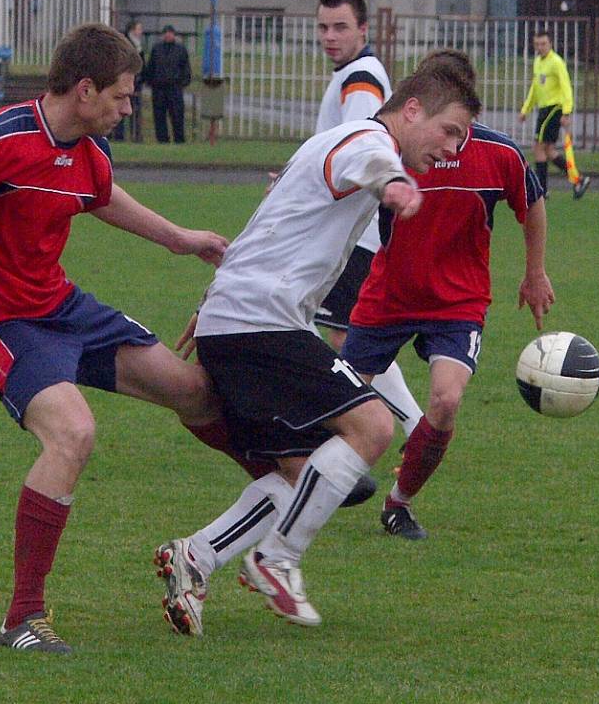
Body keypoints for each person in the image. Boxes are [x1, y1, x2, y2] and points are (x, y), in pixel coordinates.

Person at [0, 23, 230, 655]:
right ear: (87, 89)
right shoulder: (1, 139)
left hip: (60, 307)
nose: (129, 108)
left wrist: (181, 238)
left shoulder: (91, 150)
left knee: (196, 390)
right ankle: (23, 617)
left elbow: (100, 195)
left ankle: (286, 488)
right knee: (73, 432)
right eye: (122, 96)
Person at [154, 64, 481, 635]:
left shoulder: (333, 143)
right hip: (261, 324)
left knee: (303, 472)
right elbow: (373, 163)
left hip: (241, 321)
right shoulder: (367, 140)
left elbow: (265, 224)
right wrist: (396, 184)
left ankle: (197, 556)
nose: (453, 148)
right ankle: (276, 560)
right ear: (411, 111)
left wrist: (212, 301)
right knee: (374, 427)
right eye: (450, 131)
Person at [343, 49, 555, 540]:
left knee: (445, 401)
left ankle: (399, 504)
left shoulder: (498, 154)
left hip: (457, 304)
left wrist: (535, 273)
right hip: (387, 297)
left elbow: (534, 204)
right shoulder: (391, 150)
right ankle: (305, 479)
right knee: (338, 400)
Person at [312, 0, 423, 441]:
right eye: (322, 27)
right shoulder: (356, 72)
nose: (329, 36)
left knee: (343, 336)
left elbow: (358, 150)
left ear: (363, 29)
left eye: (341, 27)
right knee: (339, 333)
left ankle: (413, 426)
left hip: (357, 231)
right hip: (354, 230)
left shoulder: (361, 77)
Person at [519, 29, 590, 200]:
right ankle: (579, 179)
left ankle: (542, 190)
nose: (540, 47)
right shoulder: (538, 62)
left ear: (550, 44)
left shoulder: (556, 62)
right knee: (549, 150)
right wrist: (525, 109)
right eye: (537, 44)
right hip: (544, 109)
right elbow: (535, 88)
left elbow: (566, 87)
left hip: (554, 108)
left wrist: (566, 111)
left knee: (538, 147)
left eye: (543, 44)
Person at [145, 24, 191, 143]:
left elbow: (186, 68)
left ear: (174, 35)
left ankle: (179, 140)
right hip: (159, 89)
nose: (167, 35)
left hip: (175, 88)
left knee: (177, 116)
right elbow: (151, 67)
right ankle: (162, 139)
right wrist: (151, 82)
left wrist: (182, 83)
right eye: (165, 32)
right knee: (159, 116)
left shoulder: (181, 49)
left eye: (170, 32)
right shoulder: (156, 48)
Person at [111, 20, 145, 142]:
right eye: (139, 28)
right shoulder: (127, 45)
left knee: (135, 111)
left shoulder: (138, 45)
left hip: (136, 84)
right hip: (126, 84)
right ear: (132, 30)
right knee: (121, 109)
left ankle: (136, 136)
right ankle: (119, 136)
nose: (141, 31)